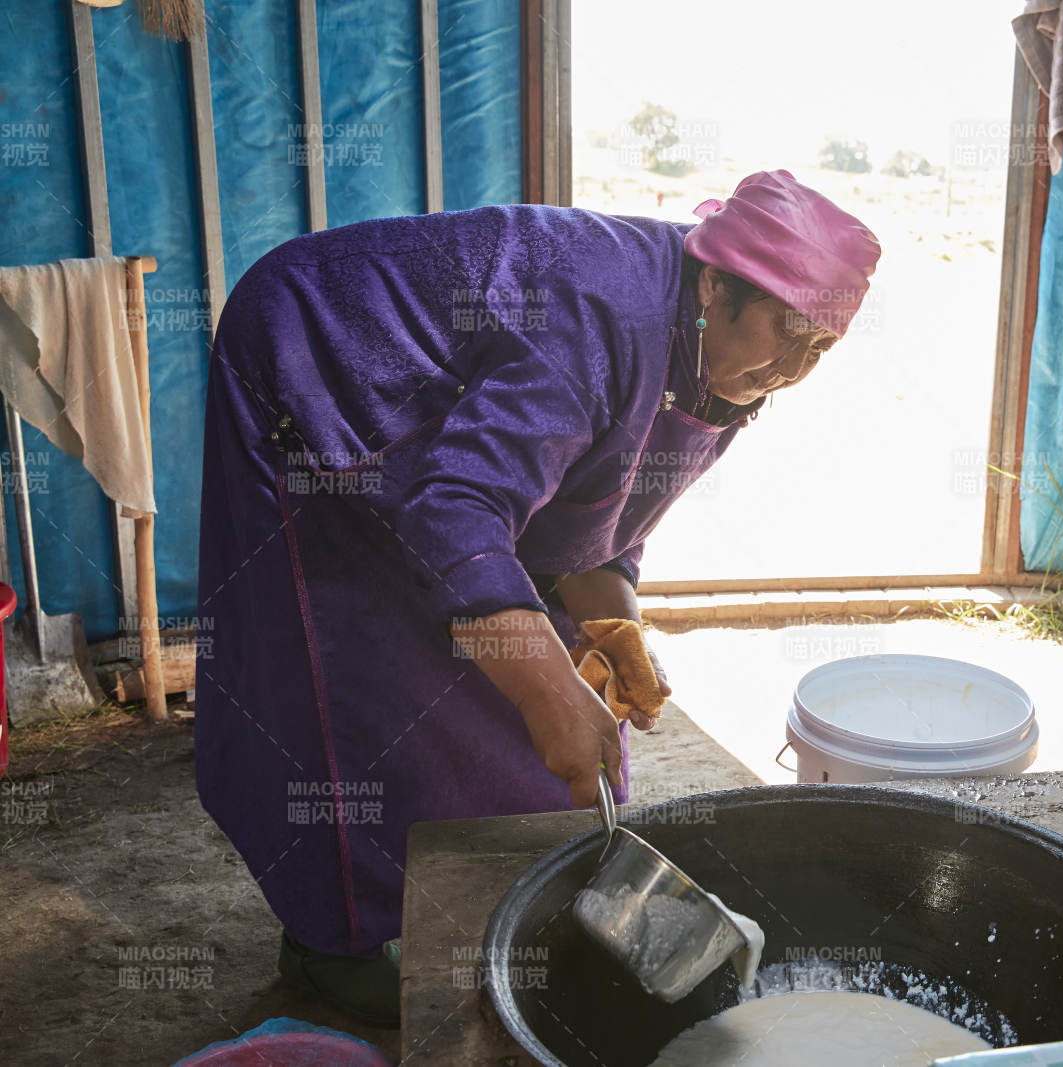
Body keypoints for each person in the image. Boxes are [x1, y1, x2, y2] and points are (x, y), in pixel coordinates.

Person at [193, 170, 880, 1025]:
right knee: (361, 667)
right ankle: (335, 941)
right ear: (715, 284)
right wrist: (548, 686)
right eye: (786, 333)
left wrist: (613, 624)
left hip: (455, 452)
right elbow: (458, 509)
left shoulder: (725, 367)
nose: (795, 368)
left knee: (526, 670)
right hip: (321, 370)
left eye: (820, 348)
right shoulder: (597, 314)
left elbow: (596, 512)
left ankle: (519, 899)